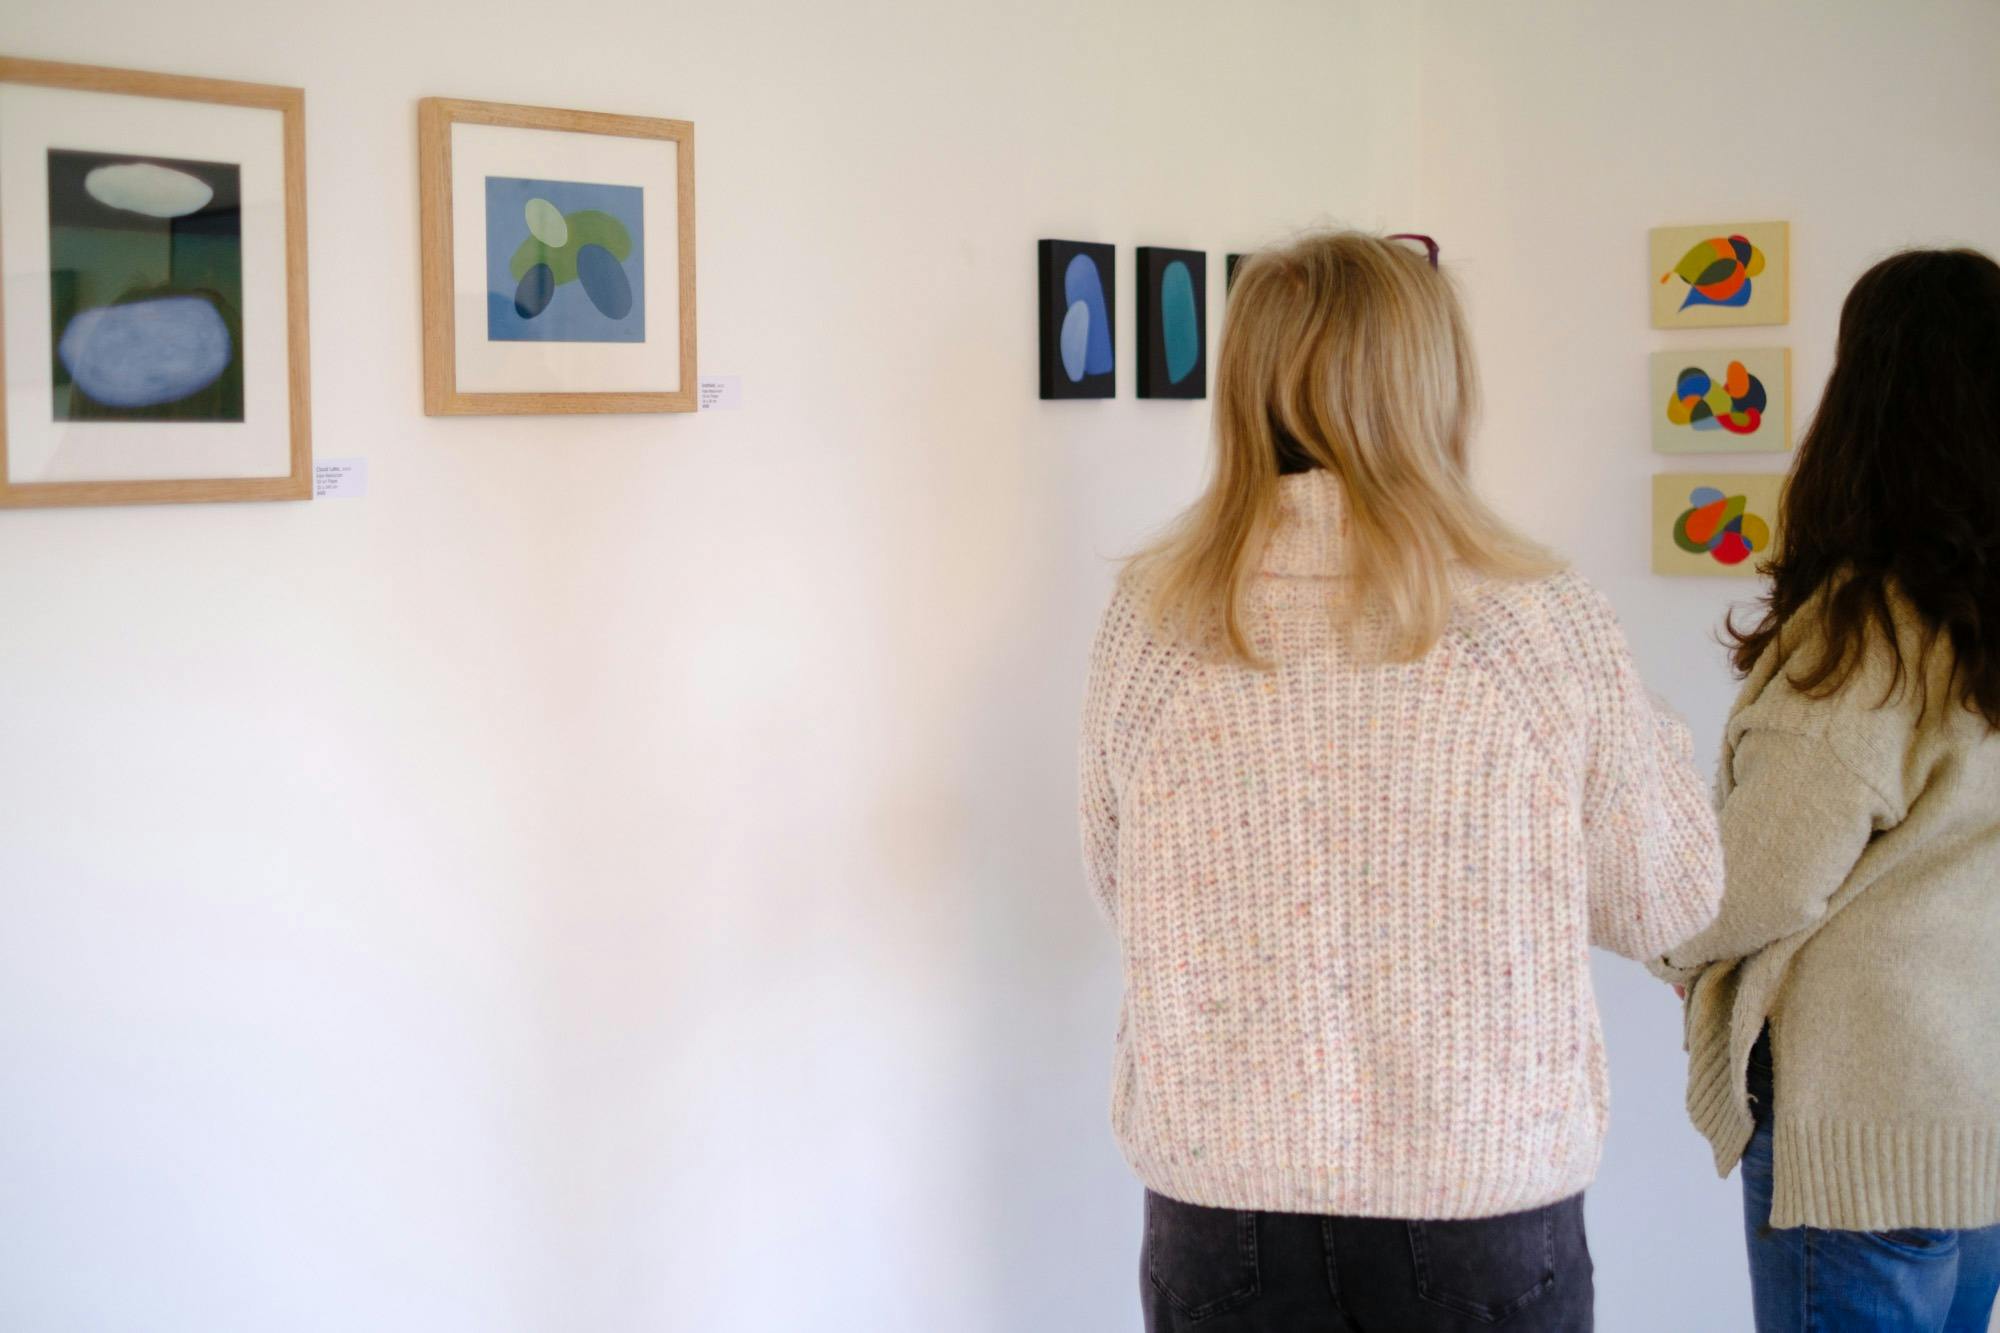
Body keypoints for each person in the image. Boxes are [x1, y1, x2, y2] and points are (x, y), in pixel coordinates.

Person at [1077, 230, 1724, 1333]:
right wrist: (1639, 718)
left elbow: (1121, 885)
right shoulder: (1532, 619)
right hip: (1476, 1212)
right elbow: (1667, 897)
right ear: (1430, 385)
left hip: (1217, 1210)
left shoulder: (1154, 620)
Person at [1656, 248, 2000, 1333]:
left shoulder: (1870, 637)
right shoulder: (1973, 623)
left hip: (1862, 1144)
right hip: (1969, 1131)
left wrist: (1655, 926)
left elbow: (1754, 877)